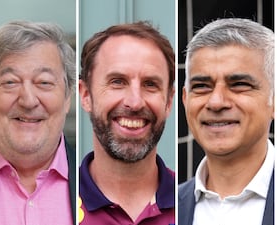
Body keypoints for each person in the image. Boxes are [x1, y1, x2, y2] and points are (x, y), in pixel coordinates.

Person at [179, 18, 274, 225]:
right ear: (185, 100)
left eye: (239, 84)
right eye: (202, 86)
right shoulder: (171, 206)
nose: (216, 102)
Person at [79, 21, 175, 224]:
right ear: (86, 95)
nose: (135, 102)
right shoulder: (56, 202)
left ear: (169, 101)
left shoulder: (191, 203)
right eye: (117, 82)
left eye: (150, 84)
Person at [0, 21, 76, 225]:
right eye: (10, 82)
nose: (28, 100)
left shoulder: (99, 181)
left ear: (68, 98)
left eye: (44, 82)